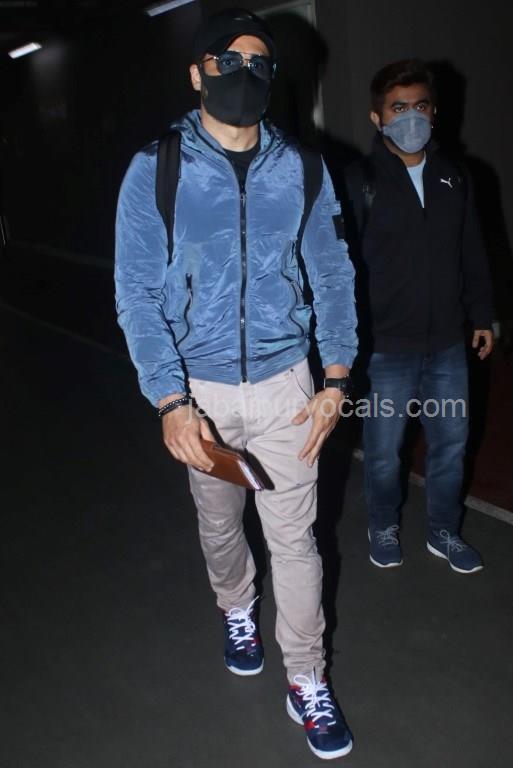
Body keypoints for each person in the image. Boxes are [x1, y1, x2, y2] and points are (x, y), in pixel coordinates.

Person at [114, 9, 356, 759]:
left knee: (297, 540)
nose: (244, 75)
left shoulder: (304, 168)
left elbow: (333, 274)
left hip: (289, 386)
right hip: (202, 394)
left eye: (259, 64)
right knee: (220, 526)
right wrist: (170, 399)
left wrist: (336, 376)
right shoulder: (156, 169)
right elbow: (136, 293)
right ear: (197, 74)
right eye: (228, 61)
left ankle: (306, 677)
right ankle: (236, 606)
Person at [346, 59, 494, 572]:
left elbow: (472, 250)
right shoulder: (360, 180)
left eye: (420, 106)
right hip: (386, 349)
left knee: (450, 447)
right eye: (398, 108)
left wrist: (482, 315)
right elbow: (341, 264)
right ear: (377, 117)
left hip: (448, 345)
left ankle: (443, 531)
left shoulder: (455, 174)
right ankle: (382, 524)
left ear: (435, 112)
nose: (411, 117)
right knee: (384, 453)